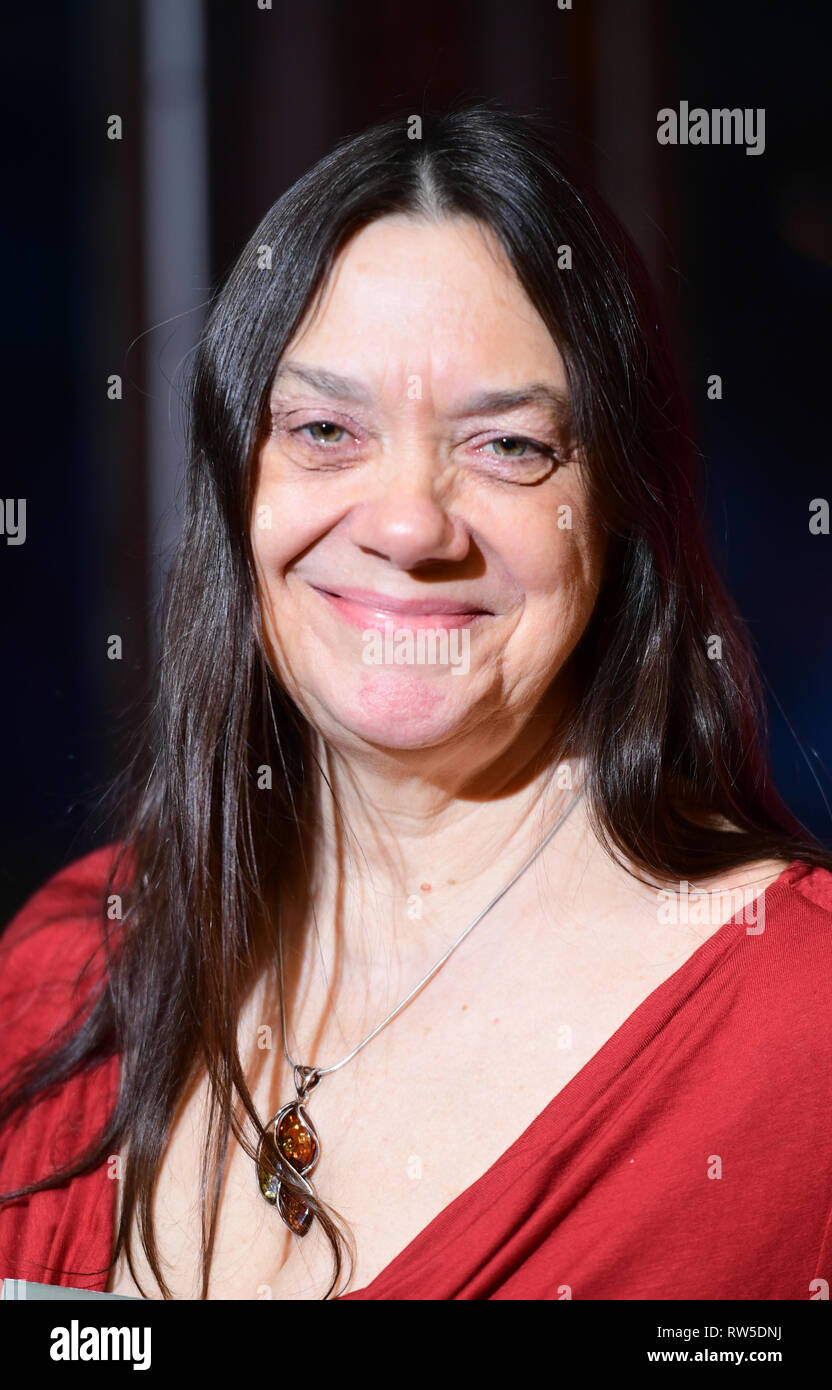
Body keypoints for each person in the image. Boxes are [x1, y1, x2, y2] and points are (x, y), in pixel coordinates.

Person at [1, 106, 831, 1303]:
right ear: (237, 485)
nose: (406, 523)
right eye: (324, 430)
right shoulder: (64, 969)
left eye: (507, 446)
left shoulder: (798, 1023)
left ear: (618, 507)